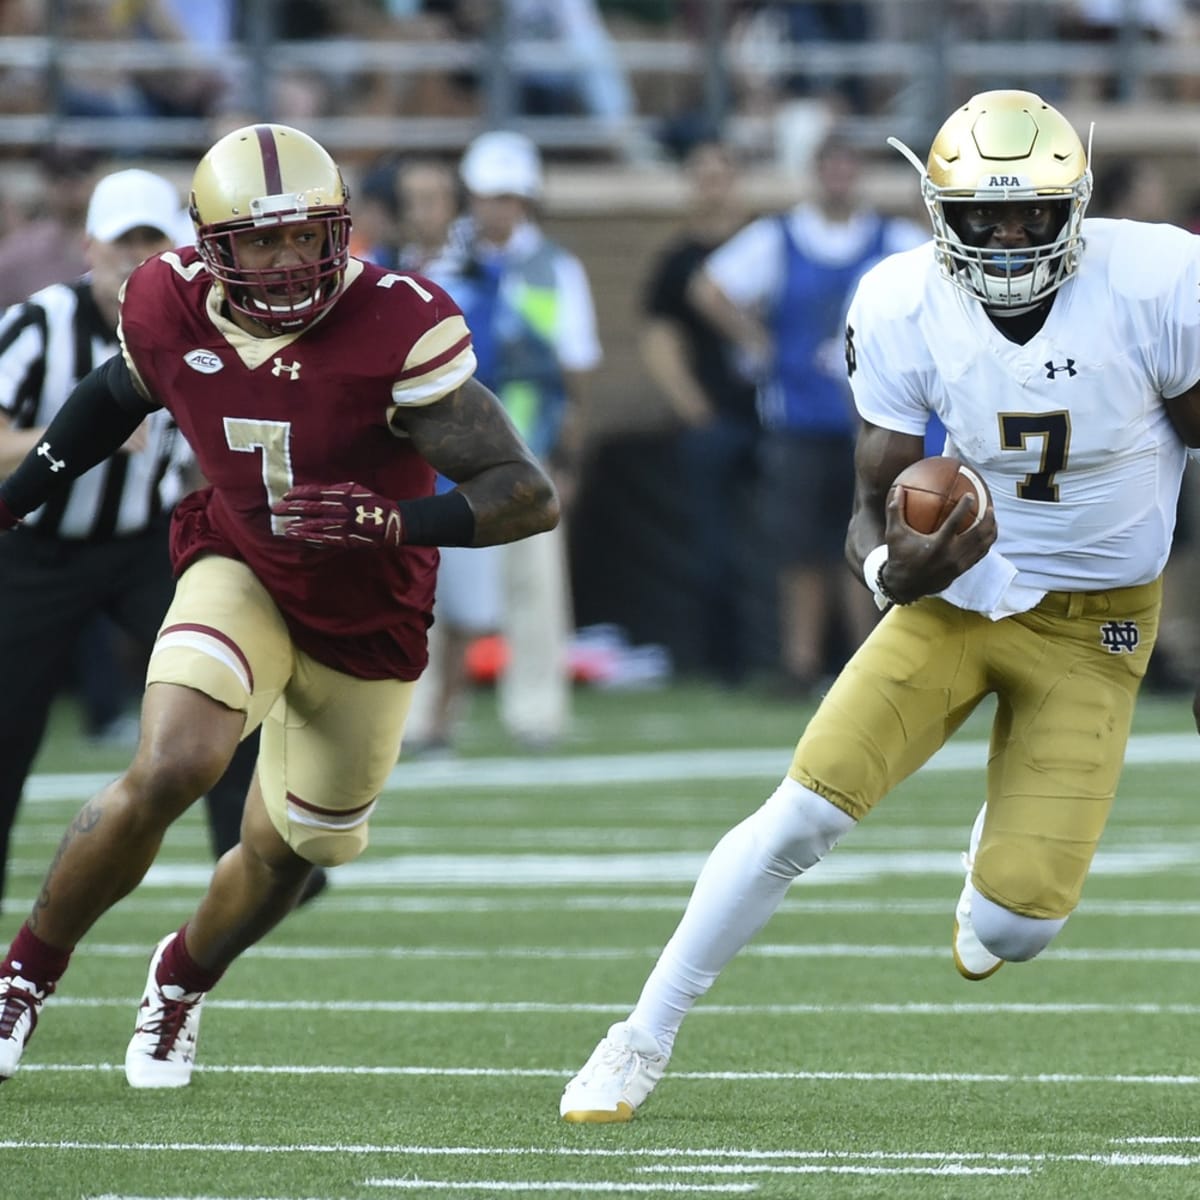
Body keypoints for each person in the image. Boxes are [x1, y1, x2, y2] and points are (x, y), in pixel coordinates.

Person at [559, 88, 1200, 1123]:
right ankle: (640, 1036)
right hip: (962, 599)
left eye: (1030, 212)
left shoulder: (1160, 279)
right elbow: (872, 503)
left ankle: (989, 867)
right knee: (798, 818)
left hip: (1098, 627)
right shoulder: (902, 298)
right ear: (940, 212)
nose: (1005, 236)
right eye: (983, 215)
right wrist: (889, 574)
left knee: (1017, 929)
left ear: (1073, 206)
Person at [0, 122, 558, 1087]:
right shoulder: (165, 299)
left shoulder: (398, 320)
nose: (292, 260)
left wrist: (396, 520)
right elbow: (115, 394)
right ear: (212, 248)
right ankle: (23, 978)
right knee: (174, 763)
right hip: (244, 564)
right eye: (264, 240)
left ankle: (180, 978)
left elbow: (526, 494)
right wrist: (13, 500)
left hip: (370, 616)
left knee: (289, 852)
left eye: (310, 235)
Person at [0, 167, 272, 908]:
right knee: (8, 722)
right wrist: (78, 438)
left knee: (224, 675)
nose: (136, 257)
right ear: (89, 247)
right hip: (34, 549)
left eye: (152, 241)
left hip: (139, 545)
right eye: (124, 242)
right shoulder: (38, 324)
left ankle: (254, 861)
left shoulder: (195, 326)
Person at [688, 131, 926, 695]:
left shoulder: (894, 238)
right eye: (830, 167)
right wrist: (758, 343)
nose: (839, 179)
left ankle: (867, 660)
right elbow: (708, 288)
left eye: (849, 168)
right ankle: (801, 662)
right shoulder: (780, 236)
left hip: (875, 422)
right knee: (800, 549)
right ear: (815, 173)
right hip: (798, 419)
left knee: (872, 544)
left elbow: (940, 285)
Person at [408, 130, 600, 753]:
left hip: (527, 446)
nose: (498, 209)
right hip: (448, 451)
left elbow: (573, 374)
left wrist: (566, 458)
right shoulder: (441, 265)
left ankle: (537, 712)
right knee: (430, 584)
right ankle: (418, 713)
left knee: (536, 586)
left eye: (509, 197)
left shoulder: (558, 268)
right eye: (489, 196)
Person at [638, 138, 760, 686]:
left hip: (774, 417)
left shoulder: (766, 245)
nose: (713, 186)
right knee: (713, 545)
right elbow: (658, 340)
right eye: (703, 176)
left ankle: (787, 656)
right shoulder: (677, 262)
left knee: (779, 541)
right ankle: (719, 660)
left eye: (722, 175)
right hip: (715, 417)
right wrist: (695, 408)